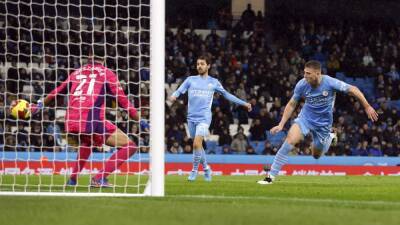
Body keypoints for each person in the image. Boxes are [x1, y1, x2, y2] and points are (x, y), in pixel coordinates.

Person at [25, 44, 146, 187]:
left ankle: (72, 179)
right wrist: (141, 120)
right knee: (130, 146)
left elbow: (57, 91)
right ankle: (99, 177)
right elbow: (124, 102)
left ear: (89, 54)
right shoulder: (107, 74)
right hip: (91, 120)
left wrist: (38, 105)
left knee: (87, 142)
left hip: (70, 120)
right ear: (105, 57)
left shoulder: (77, 72)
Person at [258, 60, 378, 185]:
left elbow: (353, 89)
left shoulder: (330, 82)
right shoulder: (302, 84)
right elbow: (292, 104)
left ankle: (330, 137)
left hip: (323, 125)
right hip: (305, 119)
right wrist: (281, 124)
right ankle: (270, 177)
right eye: (304, 73)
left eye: (308, 73)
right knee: (290, 140)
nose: (305, 76)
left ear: (318, 73)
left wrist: (367, 106)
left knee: (316, 155)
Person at [169, 55, 251, 181]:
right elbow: (179, 90)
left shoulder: (214, 82)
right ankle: (207, 168)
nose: (199, 66)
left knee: (196, 144)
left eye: (202, 64)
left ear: (208, 66)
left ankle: (194, 171)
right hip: (191, 118)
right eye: (197, 64)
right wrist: (174, 95)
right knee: (198, 146)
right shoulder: (190, 80)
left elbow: (227, 95)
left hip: (204, 118)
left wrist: (244, 103)